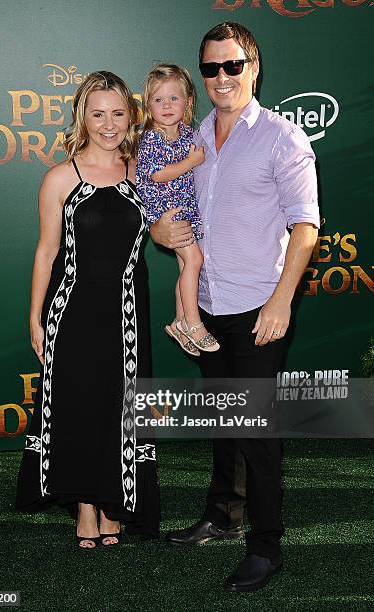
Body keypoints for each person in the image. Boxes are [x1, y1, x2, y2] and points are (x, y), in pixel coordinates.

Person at [150, 23, 319, 592]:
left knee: (255, 431)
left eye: (233, 66)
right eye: (210, 68)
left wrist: (281, 302)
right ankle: (223, 512)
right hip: (207, 303)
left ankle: (266, 547)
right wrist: (162, 232)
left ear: (254, 67)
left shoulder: (282, 138)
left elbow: (305, 227)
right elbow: (171, 207)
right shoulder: (192, 134)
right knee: (224, 420)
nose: (222, 77)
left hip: (256, 307)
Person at [15, 71, 160, 548]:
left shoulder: (145, 171)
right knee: (78, 408)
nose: (108, 123)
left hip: (126, 317)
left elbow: (176, 225)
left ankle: (116, 503)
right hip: (72, 312)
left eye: (118, 113)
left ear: (131, 115)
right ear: (83, 117)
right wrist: (35, 317)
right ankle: (84, 508)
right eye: (98, 114)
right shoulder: (61, 177)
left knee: (118, 408)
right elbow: (45, 252)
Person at [136, 64, 220, 356]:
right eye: (159, 100)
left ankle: (179, 322)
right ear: (148, 106)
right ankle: (195, 324)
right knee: (194, 260)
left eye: (174, 98)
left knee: (187, 266)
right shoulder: (151, 138)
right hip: (167, 212)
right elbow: (157, 175)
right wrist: (190, 163)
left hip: (186, 209)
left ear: (188, 102)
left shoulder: (188, 134)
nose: (167, 105)